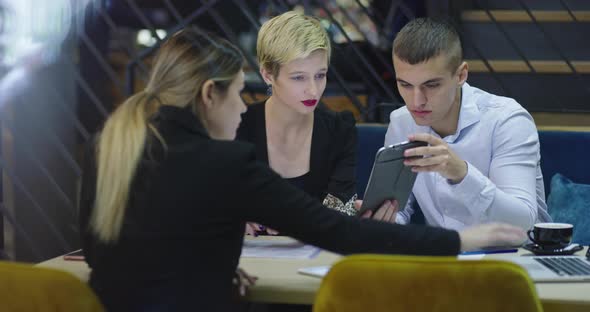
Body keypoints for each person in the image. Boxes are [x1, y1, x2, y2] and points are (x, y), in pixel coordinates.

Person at [79, 27, 526, 312]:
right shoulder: (224, 160)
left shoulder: (111, 144)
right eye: (238, 93)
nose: (241, 108)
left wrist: (208, 266)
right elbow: (341, 233)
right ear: (209, 95)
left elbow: (102, 252)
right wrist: (462, 239)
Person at [385, 17, 551, 231]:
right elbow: (398, 211)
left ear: (461, 74)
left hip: (518, 258)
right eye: (405, 85)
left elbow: (522, 222)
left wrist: (462, 174)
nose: (417, 101)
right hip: (446, 257)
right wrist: (381, 219)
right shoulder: (401, 122)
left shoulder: (507, 120)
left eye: (432, 85)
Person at [238, 11, 379, 235]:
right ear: (267, 75)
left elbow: (337, 217)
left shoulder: (339, 129)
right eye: (298, 77)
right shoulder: (238, 126)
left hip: (316, 260)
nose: (313, 90)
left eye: (320, 75)